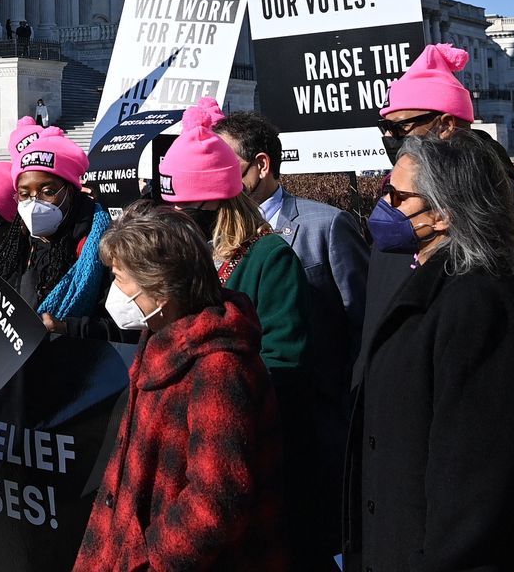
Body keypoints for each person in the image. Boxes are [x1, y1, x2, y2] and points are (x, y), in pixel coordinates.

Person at [346, 136, 514, 572]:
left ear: (442, 213)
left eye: (396, 196)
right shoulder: (431, 279)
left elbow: (473, 478)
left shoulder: (475, 304)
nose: (384, 206)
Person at [157, 99, 331, 569]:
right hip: (190, 445)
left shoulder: (268, 258)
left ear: (217, 203)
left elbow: (285, 360)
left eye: (188, 210)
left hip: (251, 451)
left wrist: (214, 388)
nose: (179, 220)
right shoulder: (190, 259)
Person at [74, 207, 284, 571]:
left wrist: (149, 561)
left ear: (161, 288)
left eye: (120, 278)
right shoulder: (161, 340)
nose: (114, 292)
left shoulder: (219, 366)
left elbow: (216, 501)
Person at [368, 44, 514, 378]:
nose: (391, 139)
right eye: (385, 128)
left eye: (400, 128)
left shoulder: (505, 202)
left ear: (445, 125)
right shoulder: (393, 198)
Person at [215, 109, 369, 384]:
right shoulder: (213, 233)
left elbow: (362, 319)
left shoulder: (327, 225)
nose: (217, 176)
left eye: (226, 165)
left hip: (318, 401)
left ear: (261, 165)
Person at [14, 129, 115, 334]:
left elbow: (124, 328)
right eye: (25, 194)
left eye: (47, 192)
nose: (34, 203)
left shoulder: (103, 243)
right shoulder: (19, 241)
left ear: (70, 191)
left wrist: (67, 328)